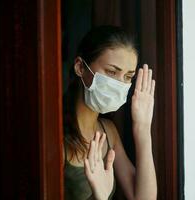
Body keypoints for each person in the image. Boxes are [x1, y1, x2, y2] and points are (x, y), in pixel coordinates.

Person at [63, 25, 157, 200]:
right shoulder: (56, 133)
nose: (120, 85)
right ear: (80, 67)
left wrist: (142, 129)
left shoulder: (109, 131)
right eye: (112, 72)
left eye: (128, 77)